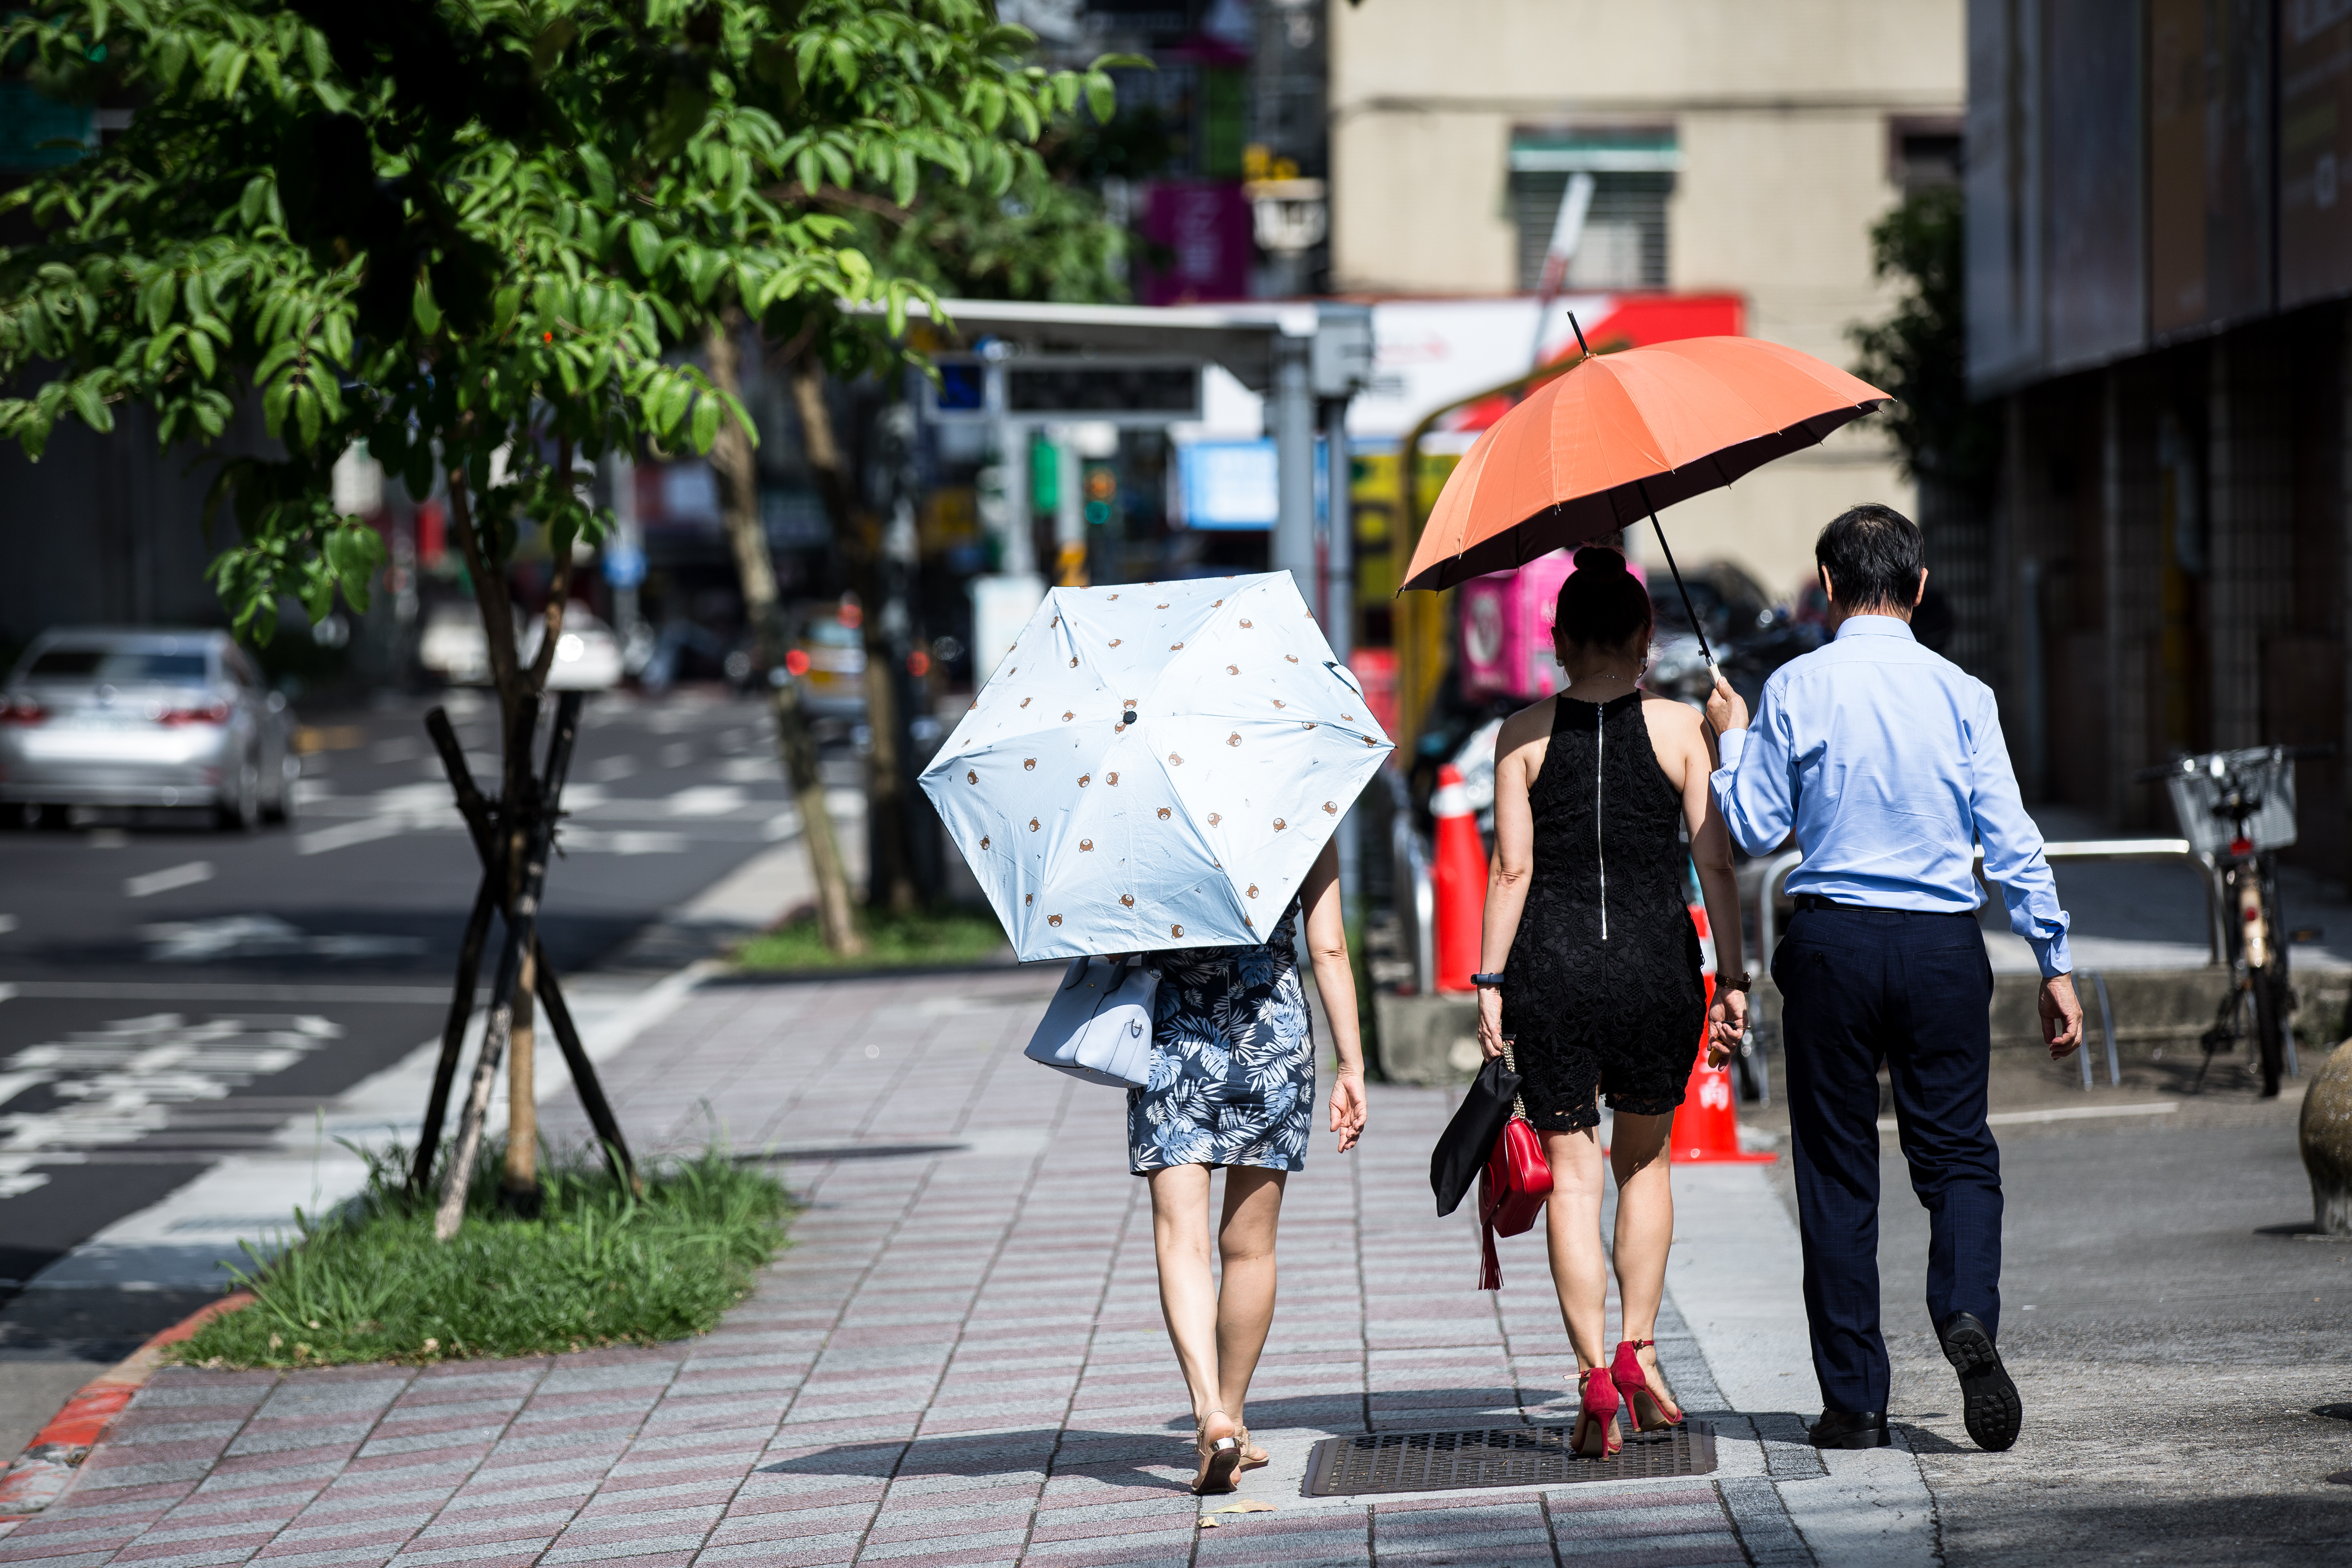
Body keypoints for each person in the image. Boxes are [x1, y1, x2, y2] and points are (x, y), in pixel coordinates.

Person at [1705, 503, 2083, 1454]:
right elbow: (2011, 839)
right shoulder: (1964, 693)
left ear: (1827, 588)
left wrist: (1734, 737)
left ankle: (1855, 1404)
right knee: (1956, 1154)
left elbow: (1750, 830)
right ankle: (1964, 1312)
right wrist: (2055, 960)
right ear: (1917, 588)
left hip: (1832, 944)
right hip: (1942, 944)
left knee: (1837, 1173)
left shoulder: (1794, 686)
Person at [1474, 546, 1748, 1460]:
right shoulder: (1680, 730)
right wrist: (1736, 974)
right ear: (1646, 638)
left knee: (1573, 1176)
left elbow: (1511, 870)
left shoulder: (1519, 735)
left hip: (1549, 968)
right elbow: (1714, 861)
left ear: (1555, 640)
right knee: (1645, 1165)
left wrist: (1489, 982)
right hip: (1653, 968)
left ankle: (1593, 1376)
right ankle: (1639, 1349)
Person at [1129, 836, 1368, 1494]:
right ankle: (1232, 1416)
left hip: (1172, 1037)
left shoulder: (1146, 806)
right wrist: (1351, 1064)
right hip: (1271, 1037)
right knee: (1250, 1249)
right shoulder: (1302, 803)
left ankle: (1210, 1413)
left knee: (1181, 1238)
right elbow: (1329, 948)